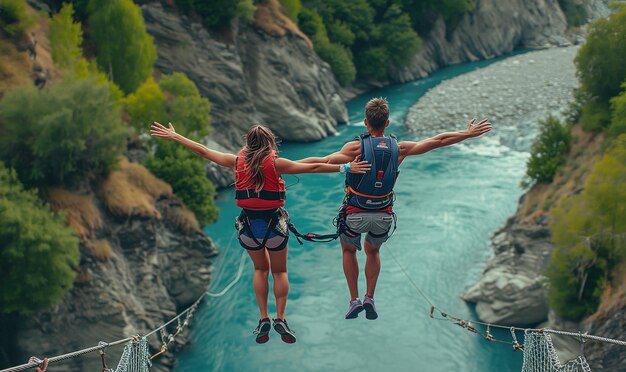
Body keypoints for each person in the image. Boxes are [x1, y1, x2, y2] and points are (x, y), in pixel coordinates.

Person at [149, 122, 371, 343]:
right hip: (274, 227)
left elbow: (203, 151)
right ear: (269, 143)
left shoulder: (236, 162)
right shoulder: (277, 164)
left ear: (248, 143)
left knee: (260, 269)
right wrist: (347, 168)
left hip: (248, 229)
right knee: (279, 272)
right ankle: (280, 318)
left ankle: (263, 317)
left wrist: (176, 136)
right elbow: (313, 167)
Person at [298, 97, 492, 320]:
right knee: (373, 251)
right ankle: (370, 296)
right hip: (383, 217)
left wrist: (281, 166)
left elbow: (320, 162)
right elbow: (438, 140)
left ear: (365, 122)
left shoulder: (354, 149)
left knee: (349, 251)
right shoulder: (399, 148)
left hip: (355, 216)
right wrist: (467, 133)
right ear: (387, 123)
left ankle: (354, 300)